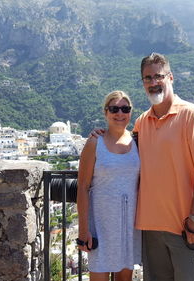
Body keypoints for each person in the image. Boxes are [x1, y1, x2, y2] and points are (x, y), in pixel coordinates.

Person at [92, 53, 194, 281]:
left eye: (158, 76)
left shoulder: (190, 115)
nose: (153, 82)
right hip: (150, 229)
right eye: (147, 78)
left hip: (185, 228)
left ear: (170, 77)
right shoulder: (141, 122)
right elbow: (121, 147)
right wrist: (101, 134)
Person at [76, 91, 141, 281]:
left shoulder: (138, 141)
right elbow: (82, 186)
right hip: (101, 225)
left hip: (129, 226)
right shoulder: (95, 143)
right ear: (106, 112)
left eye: (125, 109)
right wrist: (83, 230)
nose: (119, 113)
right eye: (114, 109)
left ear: (130, 112)